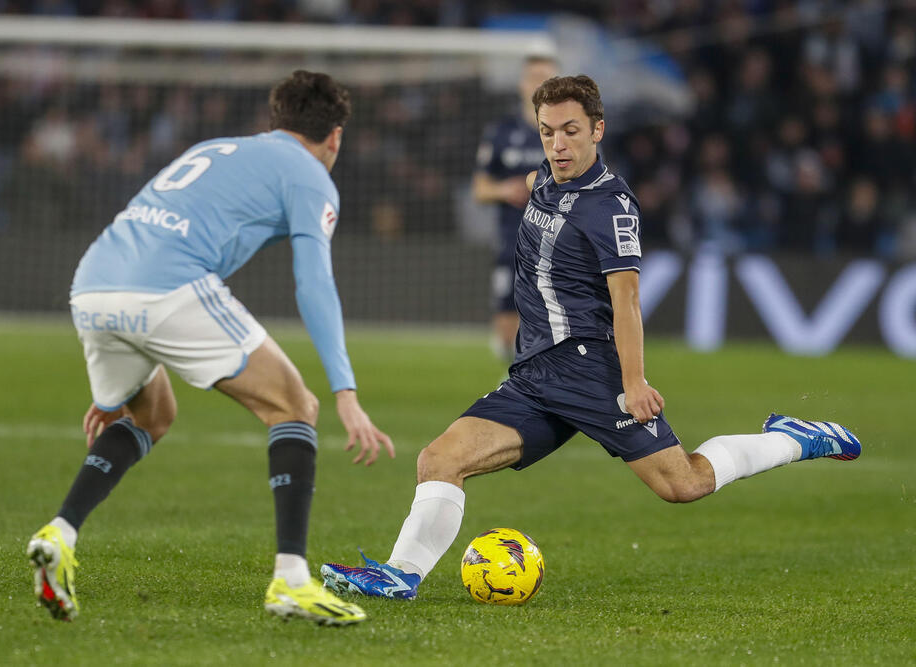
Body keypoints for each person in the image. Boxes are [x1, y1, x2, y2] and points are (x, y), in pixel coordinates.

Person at [320, 75, 861, 600]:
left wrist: (634, 381)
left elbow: (626, 301)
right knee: (439, 460)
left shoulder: (611, 207)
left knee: (683, 484)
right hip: (534, 375)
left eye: (571, 131)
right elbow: (522, 191)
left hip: (591, 373)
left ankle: (797, 438)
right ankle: (400, 575)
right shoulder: (544, 180)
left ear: (598, 129)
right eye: (548, 131)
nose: (558, 144)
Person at [27, 70, 394, 625]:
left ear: (276, 121)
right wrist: (345, 390)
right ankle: (292, 582)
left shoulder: (217, 149)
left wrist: (114, 384)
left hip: (94, 285)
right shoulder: (311, 175)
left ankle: (60, 532)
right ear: (335, 137)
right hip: (167, 287)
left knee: (151, 415)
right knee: (296, 406)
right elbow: (314, 283)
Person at [472, 56, 557, 365]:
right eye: (534, 77)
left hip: (557, 242)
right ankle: (517, 377)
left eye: (546, 78)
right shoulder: (502, 131)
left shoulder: (566, 133)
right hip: (512, 240)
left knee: (549, 322)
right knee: (507, 329)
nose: (539, 84)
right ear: (522, 84)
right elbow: (479, 189)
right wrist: (504, 189)